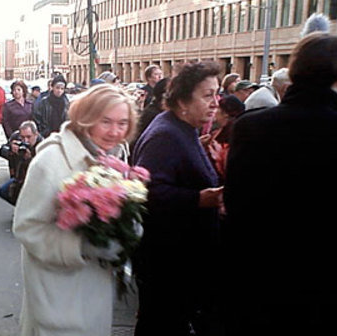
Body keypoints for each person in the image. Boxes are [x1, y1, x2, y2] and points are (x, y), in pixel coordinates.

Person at [223, 33, 337, 336]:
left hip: (258, 279)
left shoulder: (251, 127)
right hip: (328, 288)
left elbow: (236, 204)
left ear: (294, 70)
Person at [13, 83, 139, 336]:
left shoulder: (112, 157)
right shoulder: (51, 161)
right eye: (106, 121)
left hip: (94, 289)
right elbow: (27, 228)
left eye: (122, 123)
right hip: (57, 293)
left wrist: (129, 228)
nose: (115, 132)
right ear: (86, 117)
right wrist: (80, 246)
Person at [131, 61, 224, 336]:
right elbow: (148, 191)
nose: (216, 103)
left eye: (217, 94)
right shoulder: (166, 134)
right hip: (168, 262)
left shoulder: (182, 128)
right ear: (183, 101)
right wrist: (199, 199)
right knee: (161, 323)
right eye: (207, 95)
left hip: (179, 259)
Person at [0, 121, 43, 205]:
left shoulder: (42, 144)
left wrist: (30, 159)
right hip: (19, 177)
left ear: (36, 134)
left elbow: (43, 168)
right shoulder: (16, 137)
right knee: (3, 191)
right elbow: (1, 151)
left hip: (36, 180)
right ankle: (20, 206)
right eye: (22, 137)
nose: (26, 140)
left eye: (29, 137)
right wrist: (10, 150)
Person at [205, 94, 245, 183]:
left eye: (218, 108)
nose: (214, 111)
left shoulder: (229, 138)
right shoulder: (219, 132)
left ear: (225, 114)